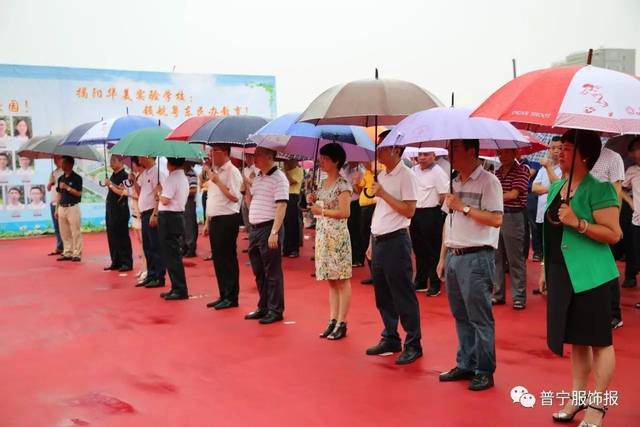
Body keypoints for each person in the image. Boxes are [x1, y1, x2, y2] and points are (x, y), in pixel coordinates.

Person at [541, 130, 621, 426]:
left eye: (567, 148)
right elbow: (550, 234)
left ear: (585, 154)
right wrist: (545, 271)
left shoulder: (599, 189)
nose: (559, 152)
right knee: (576, 340)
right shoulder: (556, 187)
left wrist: (579, 223)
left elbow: (614, 234)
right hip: (562, 273)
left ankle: (597, 406)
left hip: (592, 276)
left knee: (599, 341)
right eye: (559, 147)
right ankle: (577, 396)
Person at [436, 139, 503, 391]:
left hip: (477, 255)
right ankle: (466, 362)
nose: (450, 154)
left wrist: (463, 206)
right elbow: (448, 221)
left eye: (455, 149)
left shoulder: (489, 181)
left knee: (479, 317)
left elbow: (496, 219)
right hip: (455, 253)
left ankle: (485, 369)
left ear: (471, 152)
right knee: (460, 315)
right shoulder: (453, 181)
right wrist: (443, 257)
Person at [365, 142, 422, 365]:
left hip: (396, 240)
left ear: (396, 150)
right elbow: (380, 209)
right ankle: (390, 335)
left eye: (383, 148)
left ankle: (413, 342)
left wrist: (384, 193)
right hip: (379, 239)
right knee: (383, 294)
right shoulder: (382, 174)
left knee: (403, 294)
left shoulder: (406, 175)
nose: (378, 152)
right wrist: (371, 239)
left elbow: (409, 210)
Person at [308, 143, 352, 340]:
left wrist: (322, 211)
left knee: (341, 279)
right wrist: (312, 200)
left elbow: (345, 213)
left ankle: (342, 321)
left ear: (336, 161)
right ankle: (332, 319)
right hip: (323, 234)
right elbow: (317, 206)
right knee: (331, 281)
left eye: (325, 158)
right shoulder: (322, 183)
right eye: (321, 158)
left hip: (337, 235)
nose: (322, 162)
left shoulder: (343, 185)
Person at [244, 146, 288, 324]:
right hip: (255, 228)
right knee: (259, 271)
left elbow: (281, 206)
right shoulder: (259, 178)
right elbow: (250, 203)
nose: (254, 158)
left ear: (269, 157)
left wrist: (274, 232)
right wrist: (246, 187)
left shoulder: (279, 178)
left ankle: (275, 309)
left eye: (258, 155)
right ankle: (263, 306)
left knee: (272, 271)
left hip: (269, 228)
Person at [203, 145, 243, 310]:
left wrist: (218, 182)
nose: (212, 155)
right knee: (218, 259)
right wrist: (207, 221)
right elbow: (212, 198)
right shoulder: (216, 171)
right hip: (215, 218)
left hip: (227, 218)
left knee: (227, 258)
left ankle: (231, 296)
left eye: (215, 152)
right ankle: (223, 293)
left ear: (225, 153)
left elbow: (235, 197)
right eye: (211, 152)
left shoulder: (232, 171)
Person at [590, 145, 626, 330]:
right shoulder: (578, 155)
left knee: (607, 269)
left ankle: (614, 313)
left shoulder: (613, 157)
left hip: (604, 221)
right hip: (581, 220)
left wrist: (615, 223)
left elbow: (617, 190)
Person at [492, 148, 530, 309]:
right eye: (500, 153)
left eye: (506, 152)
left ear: (515, 153)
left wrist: (493, 196)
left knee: (515, 259)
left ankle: (519, 296)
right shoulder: (497, 172)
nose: (502, 156)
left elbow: (514, 194)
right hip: (498, 214)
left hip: (514, 215)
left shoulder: (522, 170)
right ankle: (498, 294)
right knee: (497, 257)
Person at [410, 149, 449, 296]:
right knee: (419, 250)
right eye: (420, 155)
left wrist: (438, 211)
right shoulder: (413, 170)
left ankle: (434, 283)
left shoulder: (438, 171)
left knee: (433, 250)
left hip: (431, 213)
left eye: (426, 155)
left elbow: (443, 195)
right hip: (416, 212)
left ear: (434, 156)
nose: (422, 158)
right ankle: (420, 280)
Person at [156, 157, 190, 300]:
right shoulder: (183, 177)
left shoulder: (173, 178)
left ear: (171, 163)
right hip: (176, 217)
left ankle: (179, 288)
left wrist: (159, 192)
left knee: (172, 254)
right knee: (173, 253)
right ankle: (176, 286)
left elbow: (165, 199)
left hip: (169, 217)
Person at [135, 156, 166, 288]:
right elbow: (140, 192)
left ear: (147, 156)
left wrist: (155, 213)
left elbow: (161, 193)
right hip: (144, 212)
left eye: (140, 155)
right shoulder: (145, 172)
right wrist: (134, 181)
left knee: (155, 246)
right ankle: (151, 274)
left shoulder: (158, 172)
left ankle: (159, 276)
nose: (138, 158)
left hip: (152, 212)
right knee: (147, 246)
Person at [532, 137, 563, 262]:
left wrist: (549, 168)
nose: (555, 151)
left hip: (555, 212)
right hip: (541, 210)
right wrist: (551, 189)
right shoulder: (542, 168)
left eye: (559, 148)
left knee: (553, 247)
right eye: (553, 148)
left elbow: (560, 187)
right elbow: (534, 188)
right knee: (541, 239)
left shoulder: (564, 168)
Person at [103, 155, 133, 272]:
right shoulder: (113, 175)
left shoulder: (125, 176)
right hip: (111, 208)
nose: (111, 162)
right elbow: (114, 187)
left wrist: (110, 184)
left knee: (122, 236)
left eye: (114, 160)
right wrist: (110, 183)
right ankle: (115, 261)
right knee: (112, 235)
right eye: (110, 160)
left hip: (120, 209)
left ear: (121, 162)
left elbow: (123, 192)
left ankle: (126, 262)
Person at [355, 160, 379, 284]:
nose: (363, 163)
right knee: (364, 238)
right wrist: (356, 183)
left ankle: (378, 274)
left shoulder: (379, 169)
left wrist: (377, 172)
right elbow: (360, 191)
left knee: (373, 239)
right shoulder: (367, 173)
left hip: (374, 207)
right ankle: (372, 272)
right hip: (363, 208)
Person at [56, 156, 83, 262]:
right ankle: (67, 252)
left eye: (63, 163)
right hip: (62, 207)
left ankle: (77, 253)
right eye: (61, 163)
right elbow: (58, 194)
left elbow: (79, 193)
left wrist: (67, 187)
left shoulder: (77, 178)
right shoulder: (60, 178)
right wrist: (56, 208)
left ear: (70, 164)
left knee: (75, 231)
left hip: (73, 207)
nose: (61, 166)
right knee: (64, 232)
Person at [622, 138, 640, 290]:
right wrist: (630, 202)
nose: (633, 153)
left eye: (636, 149)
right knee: (634, 251)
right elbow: (620, 188)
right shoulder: (632, 171)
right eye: (633, 150)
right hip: (637, 220)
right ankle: (630, 276)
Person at [128, 157, 147, 283]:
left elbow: (139, 194)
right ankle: (143, 267)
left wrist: (134, 183)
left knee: (145, 244)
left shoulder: (143, 176)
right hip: (134, 212)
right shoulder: (136, 176)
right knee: (140, 243)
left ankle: (146, 269)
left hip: (141, 212)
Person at [344, 162, 364, 267]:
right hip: (345, 203)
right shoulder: (344, 169)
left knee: (356, 230)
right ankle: (349, 257)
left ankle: (358, 258)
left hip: (356, 203)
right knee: (347, 230)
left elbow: (360, 191)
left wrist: (355, 183)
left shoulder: (360, 172)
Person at [283, 159, 303, 258]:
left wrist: (285, 171)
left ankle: (294, 249)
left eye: (290, 160)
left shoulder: (298, 170)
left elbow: (291, 182)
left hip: (293, 197)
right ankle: (286, 248)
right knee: (285, 224)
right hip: (284, 197)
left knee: (292, 224)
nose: (288, 162)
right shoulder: (283, 170)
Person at [47, 155, 64, 255]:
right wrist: (51, 183)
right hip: (52, 202)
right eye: (54, 159)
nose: (55, 160)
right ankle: (59, 247)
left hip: (61, 202)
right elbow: (48, 188)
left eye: (57, 158)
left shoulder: (64, 172)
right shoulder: (53, 173)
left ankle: (66, 247)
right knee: (56, 227)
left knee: (63, 227)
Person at [182, 161, 199, 258]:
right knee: (183, 225)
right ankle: (184, 246)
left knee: (189, 225)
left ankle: (191, 247)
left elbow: (194, 189)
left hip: (189, 201)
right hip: (183, 201)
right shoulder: (182, 173)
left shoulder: (191, 173)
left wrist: (183, 191)